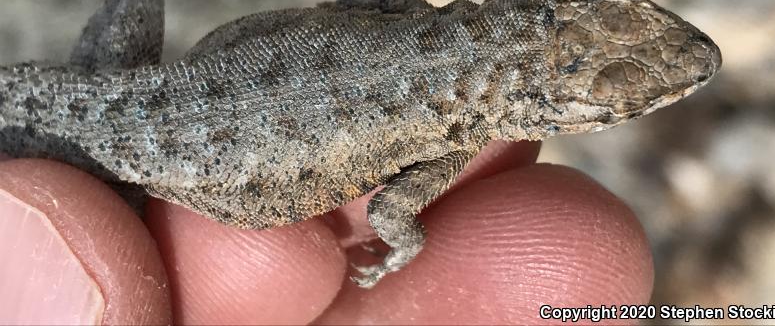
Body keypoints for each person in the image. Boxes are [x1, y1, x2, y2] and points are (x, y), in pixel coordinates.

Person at [0, 140, 653, 324]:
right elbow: (393, 214)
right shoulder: (460, 138)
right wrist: (410, 250)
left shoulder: (429, 24)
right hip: (155, 165)